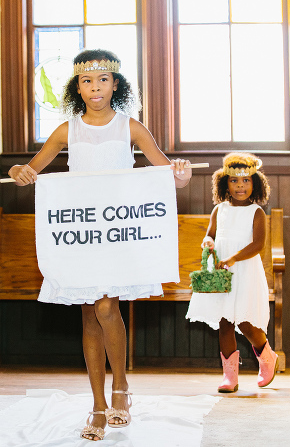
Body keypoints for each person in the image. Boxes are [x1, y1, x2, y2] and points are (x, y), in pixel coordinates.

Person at [6, 49, 192, 441]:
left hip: (118, 233)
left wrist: (181, 173)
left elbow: (167, 174)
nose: (96, 87)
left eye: (103, 79)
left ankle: (120, 387)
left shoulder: (131, 127)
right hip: (83, 236)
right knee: (89, 315)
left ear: (116, 84)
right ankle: (97, 404)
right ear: (78, 87)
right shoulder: (66, 131)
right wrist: (18, 171)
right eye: (88, 81)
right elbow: (30, 170)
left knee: (106, 306)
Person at [186, 152, 279, 393]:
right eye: (234, 180)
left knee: (246, 322)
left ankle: (267, 357)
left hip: (244, 268)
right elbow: (211, 234)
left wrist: (234, 258)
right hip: (222, 272)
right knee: (225, 322)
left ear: (255, 183)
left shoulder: (256, 212)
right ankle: (230, 376)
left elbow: (258, 245)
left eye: (246, 180)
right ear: (224, 182)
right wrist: (207, 242)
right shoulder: (220, 210)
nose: (240, 186)